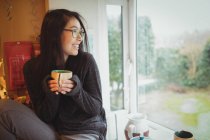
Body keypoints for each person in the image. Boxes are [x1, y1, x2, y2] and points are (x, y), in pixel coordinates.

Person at [0, 9, 107, 140]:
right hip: (52, 129)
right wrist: (51, 93)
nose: (80, 38)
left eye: (81, 32)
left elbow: (95, 108)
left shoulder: (86, 61)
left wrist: (76, 90)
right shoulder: (32, 68)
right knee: (3, 108)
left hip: (84, 130)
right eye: (74, 31)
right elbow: (45, 116)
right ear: (55, 34)